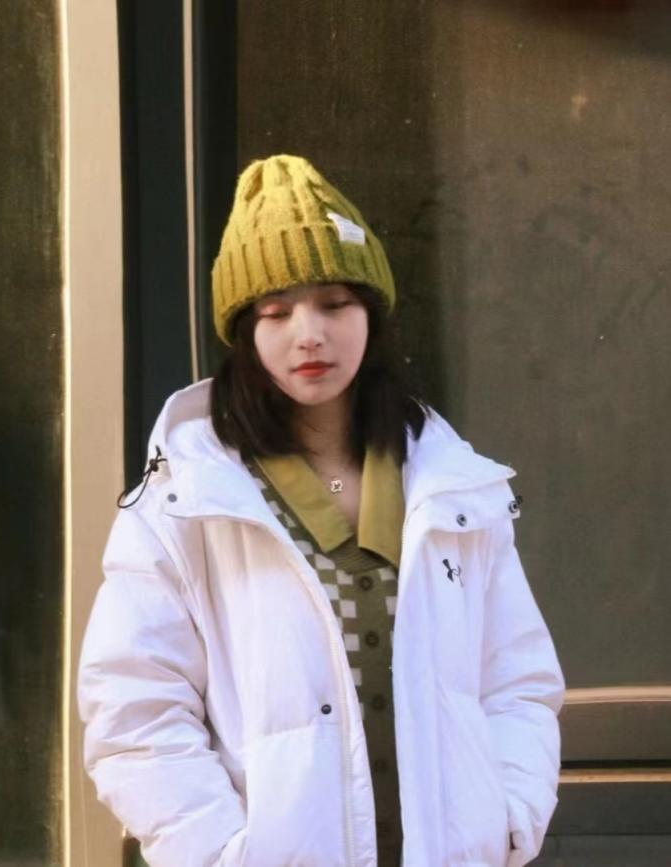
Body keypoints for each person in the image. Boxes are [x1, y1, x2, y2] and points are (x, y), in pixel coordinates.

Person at [78, 154, 564, 867]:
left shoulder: (452, 486)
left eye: (335, 304)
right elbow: (134, 709)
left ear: (371, 314)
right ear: (243, 332)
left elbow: (517, 682)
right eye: (275, 312)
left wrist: (507, 822)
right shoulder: (187, 500)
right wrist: (222, 853)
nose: (309, 333)